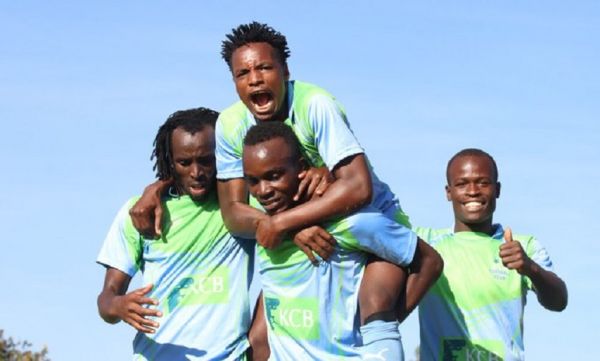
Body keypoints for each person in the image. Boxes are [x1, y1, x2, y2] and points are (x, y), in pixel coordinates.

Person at [129, 22, 442, 359]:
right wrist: (292, 225)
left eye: (264, 67)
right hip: (313, 228)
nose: (255, 78)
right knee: (260, 338)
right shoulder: (232, 125)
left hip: (369, 222)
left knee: (375, 307)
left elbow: (358, 187)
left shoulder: (315, 105)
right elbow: (233, 213)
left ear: (285, 71)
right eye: (243, 72)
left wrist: (283, 223)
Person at [242, 121, 439, 360]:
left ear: (301, 168)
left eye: (274, 176)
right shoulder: (264, 228)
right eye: (253, 181)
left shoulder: (352, 224)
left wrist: (383, 329)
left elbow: (430, 262)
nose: (263, 190)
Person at [96, 108, 253, 360]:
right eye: (184, 162)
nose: (196, 172)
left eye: (206, 160)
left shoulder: (239, 206)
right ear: (170, 161)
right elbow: (105, 300)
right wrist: (118, 305)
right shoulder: (139, 211)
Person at [415, 148, 568, 361]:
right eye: (462, 184)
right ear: (448, 192)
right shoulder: (424, 243)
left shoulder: (523, 246)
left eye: (483, 182)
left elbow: (559, 301)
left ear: (497, 189)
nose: (473, 191)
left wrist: (530, 268)